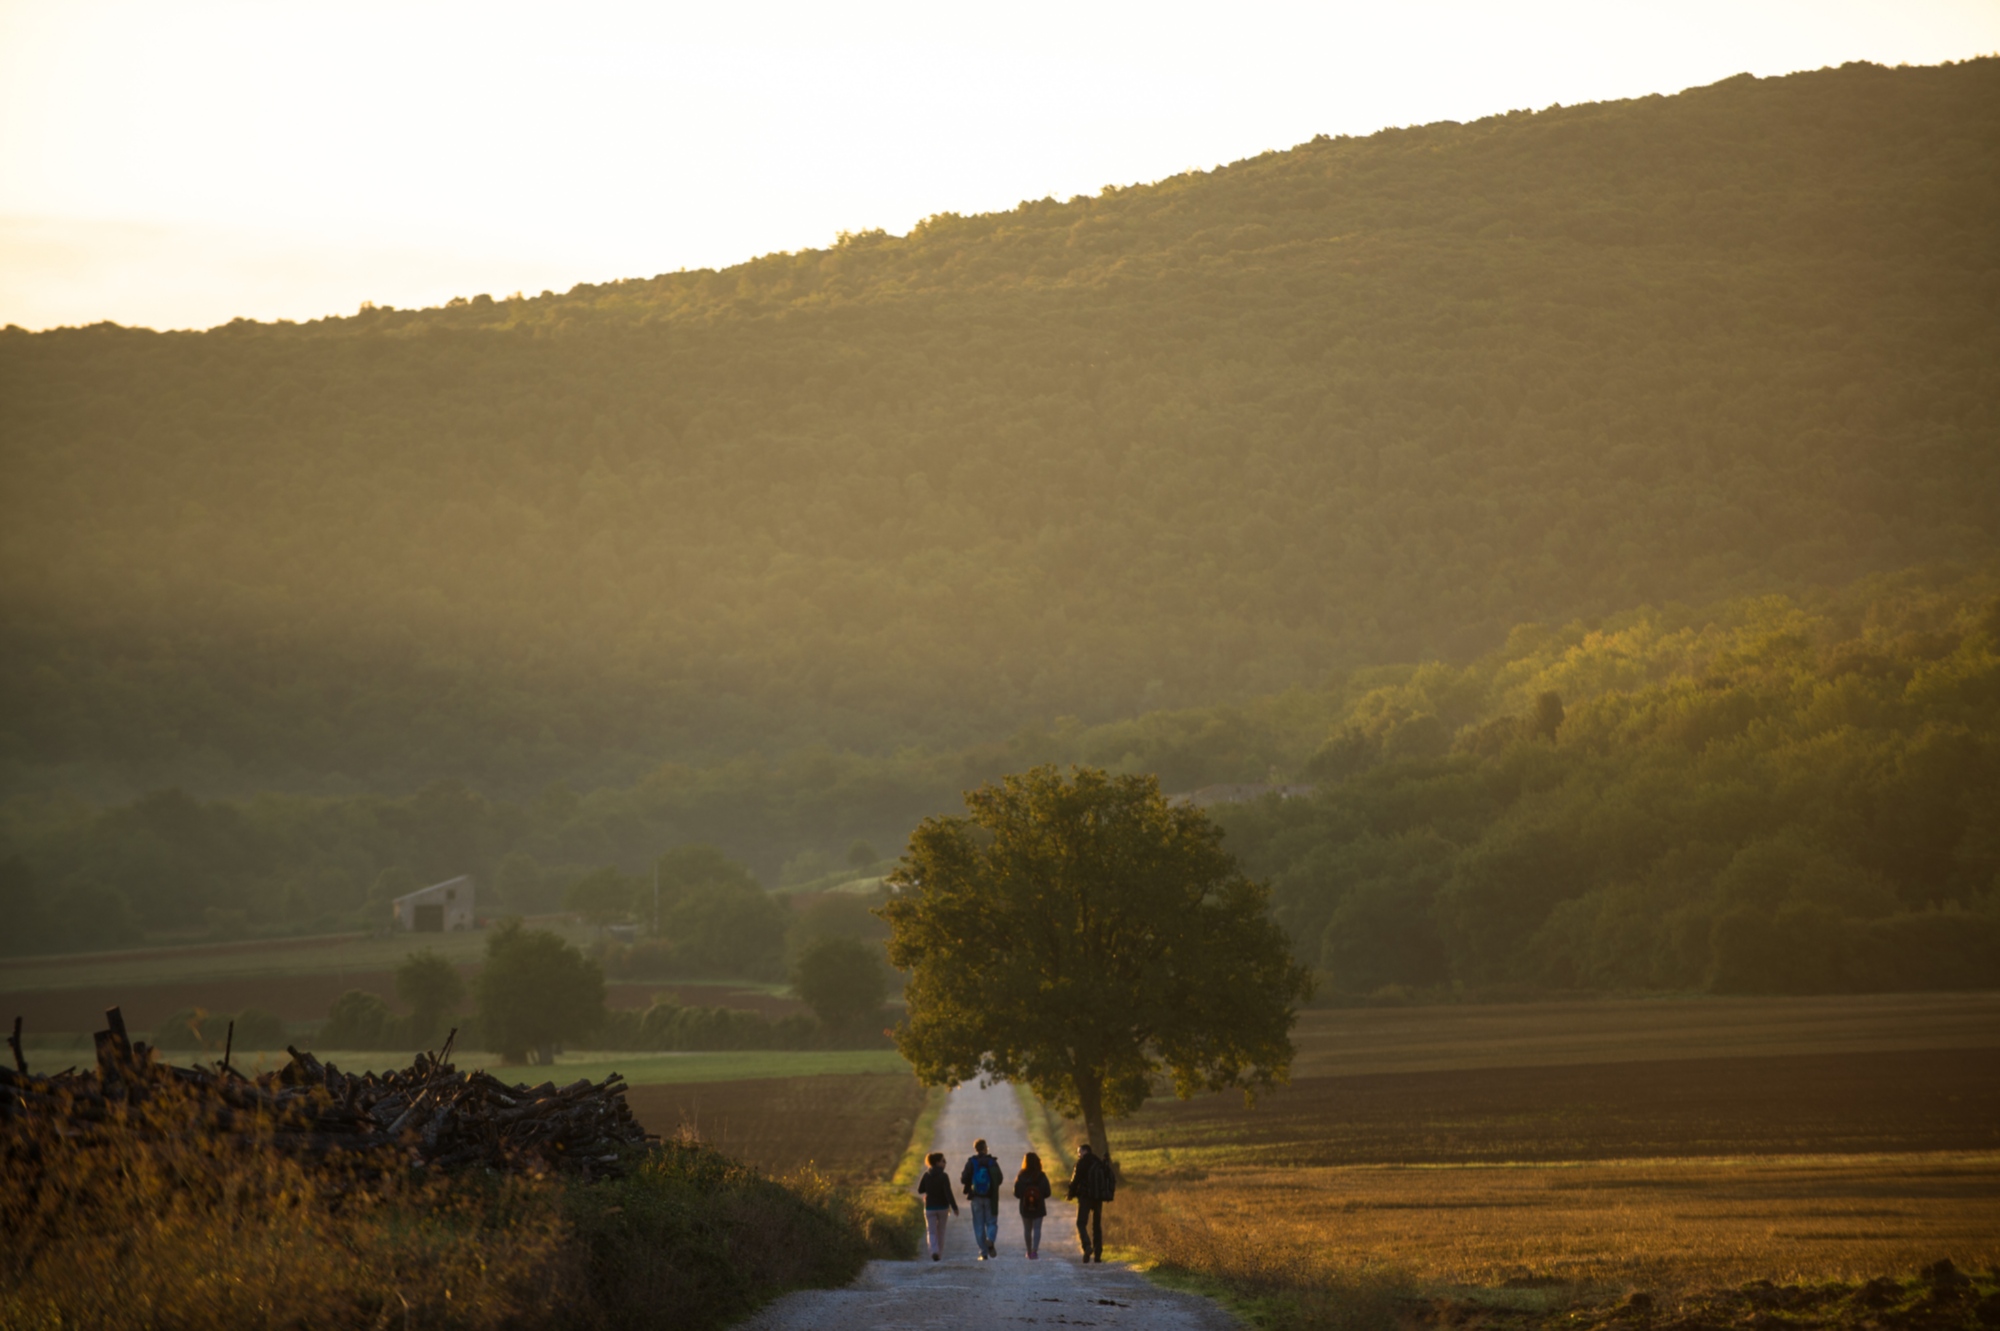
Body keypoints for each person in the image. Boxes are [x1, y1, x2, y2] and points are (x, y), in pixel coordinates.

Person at [1065, 1142, 1115, 1263]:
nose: (1078, 1155)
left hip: (1085, 1197)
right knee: (1096, 1226)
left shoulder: (1081, 1163)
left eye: (1079, 1152)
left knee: (1081, 1223)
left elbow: (1075, 1180)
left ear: (1084, 1151)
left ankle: (1087, 1246)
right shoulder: (1098, 1162)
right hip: (1098, 1198)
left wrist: (1070, 1194)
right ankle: (1098, 1254)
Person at [960, 1137, 1006, 1260]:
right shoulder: (992, 1162)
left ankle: (983, 1253)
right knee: (991, 1222)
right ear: (985, 1148)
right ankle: (990, 1239)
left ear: (976, 1149)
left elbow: (963, 1179)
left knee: (978, 1224)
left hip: (976, 1198)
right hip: (990, 1198)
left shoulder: (971, 1162)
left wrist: (971, 1183)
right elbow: (1000, 1179)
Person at [915, 1151, 958, 1261]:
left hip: (929, 1207)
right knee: (941, 1231)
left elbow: (920, 1190)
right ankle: (939, 1254)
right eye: (943, 1161)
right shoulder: (944, 1176)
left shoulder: (926, 1174)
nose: (945, 1163)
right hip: (943, 1207)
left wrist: (929, 1189)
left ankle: (934, 1251)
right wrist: (954, 1207)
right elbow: (948, 1192)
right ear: (937, 1162)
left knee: (931, 1231)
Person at [1013, 1150, 1051, 1259]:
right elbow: (1048, 1192)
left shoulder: (1021, 1175)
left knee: (1027, 1229)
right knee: (1037, 1228)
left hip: (1025, 1207)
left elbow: (1016, 1193)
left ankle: (1028, 1251)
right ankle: (1035, 1250)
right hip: (1039, 1207)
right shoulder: (1041, 1176)